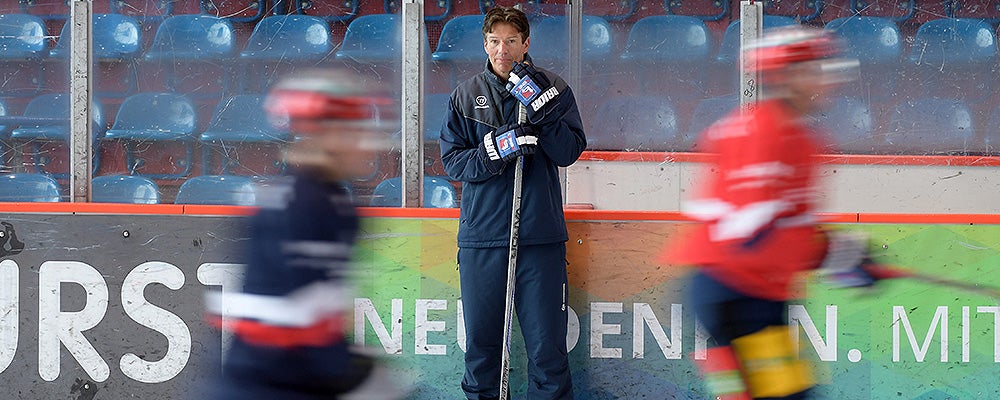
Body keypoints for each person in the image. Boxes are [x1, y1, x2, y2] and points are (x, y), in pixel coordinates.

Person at [660, 26, 874, 400]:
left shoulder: (800, 139)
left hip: (752, 294)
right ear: (789, 76)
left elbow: (793, 223)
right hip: (733, 293)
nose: (826, 79)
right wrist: (839, 257)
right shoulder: (765, 135)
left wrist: (840, 253)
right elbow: (749, 230)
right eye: (816, 68)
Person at [202, 69, 406, 400]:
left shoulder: (332, 204)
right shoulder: (303, 207)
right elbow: (300, 329)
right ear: (329, 137)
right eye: (357, 130)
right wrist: (362, 380)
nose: (368, 140)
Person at [438, 6, 587, 400]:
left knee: (547, 352)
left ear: (525, 44)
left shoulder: (553, 87)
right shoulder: (465, 95)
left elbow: (569, 150)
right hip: (483, 241)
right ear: (484, 43)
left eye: (510, 41)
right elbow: (453, 161)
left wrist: (542, 109)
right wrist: (498, 148)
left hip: (538, 241)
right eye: (494, 40)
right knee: (482, 350)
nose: (501, 49)